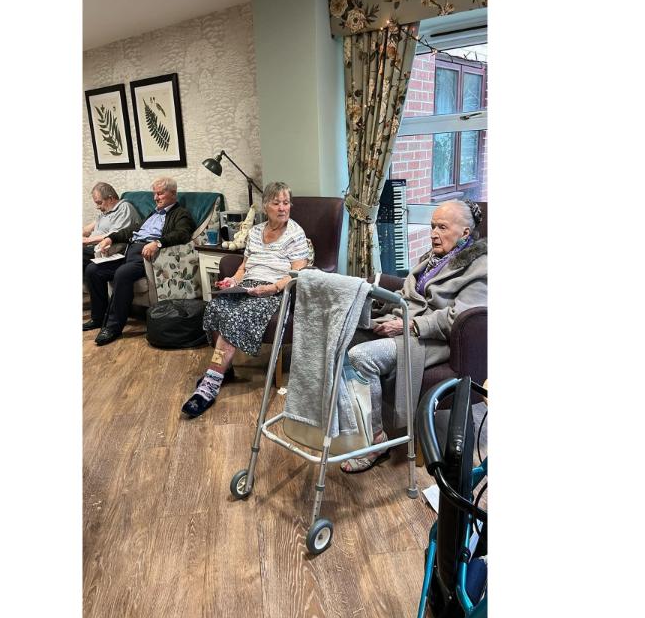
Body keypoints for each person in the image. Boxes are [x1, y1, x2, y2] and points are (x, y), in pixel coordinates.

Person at [342, 199, 487, 472]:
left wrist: (409, 325)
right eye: (432, 226)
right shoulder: (432, 259)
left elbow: (458, 317)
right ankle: (353, 424)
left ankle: (376, 440)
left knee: (362, 356)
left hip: (433, 340)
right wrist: (379, 301)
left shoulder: (482, 267)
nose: (433, 233)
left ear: (465, 232)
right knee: (343, 336)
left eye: (442, 227)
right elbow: (407, 294)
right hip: (404, 323)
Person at [181, 181, 310, 418]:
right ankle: (226, 369)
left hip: (275, 290)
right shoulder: (255, 232)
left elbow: (297, 274)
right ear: (265, 206)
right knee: (216, 307)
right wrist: (232, 281)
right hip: (247, 286)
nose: (283, 208)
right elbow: (244, 267)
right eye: (277, 203)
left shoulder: (295, 233)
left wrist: (271, 288)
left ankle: (210, 385)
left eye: (286, 203)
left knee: (236, 316)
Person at [83, 177, 195, 346]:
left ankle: (112, 327)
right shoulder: (153, 213)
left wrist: (157, 243)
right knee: (93, 270)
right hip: (128, 253)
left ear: (173, 193)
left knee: (122, 273)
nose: (155, 198)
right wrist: (111, 238)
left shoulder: (180, 214)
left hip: (146, 257)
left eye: (160, 194)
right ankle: (98, 318)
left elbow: (182, 233)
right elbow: (134, 230)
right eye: (154, 194)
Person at [82, 182, 141, 270]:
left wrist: (88, 241)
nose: (97, 207)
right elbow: (87, 229)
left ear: (110, 199)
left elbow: (116, 234)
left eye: (99, 203)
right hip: (91, 248)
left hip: (104, 250)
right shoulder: (105, 212)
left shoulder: (124, 208)